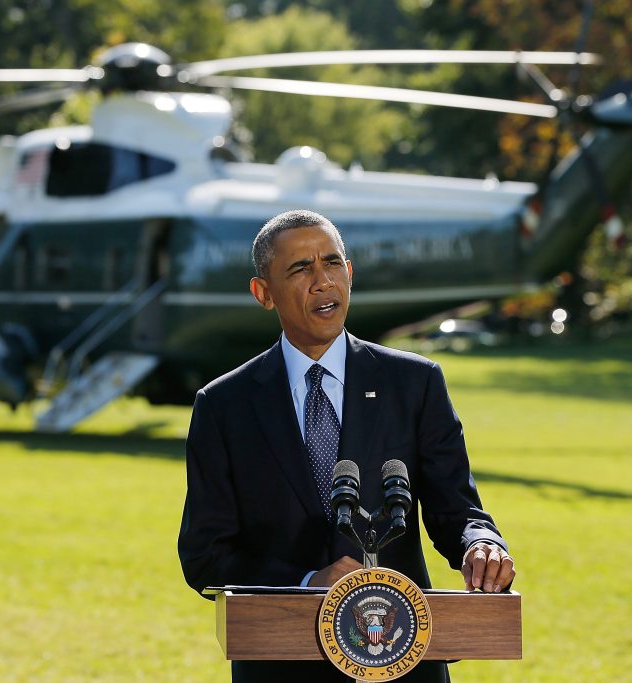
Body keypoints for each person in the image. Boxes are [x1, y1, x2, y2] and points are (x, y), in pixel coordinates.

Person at [178, 210, 515, 683]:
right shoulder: (223, 405)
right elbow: (204, 554)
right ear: (263, 293)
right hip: (281, 665)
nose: (322, 281)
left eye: (332, 263)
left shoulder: (414, 383)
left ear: (350, 274)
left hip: (402, 660)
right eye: (300, 268)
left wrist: (481, 544)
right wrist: (306, 584)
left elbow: (457, 510)